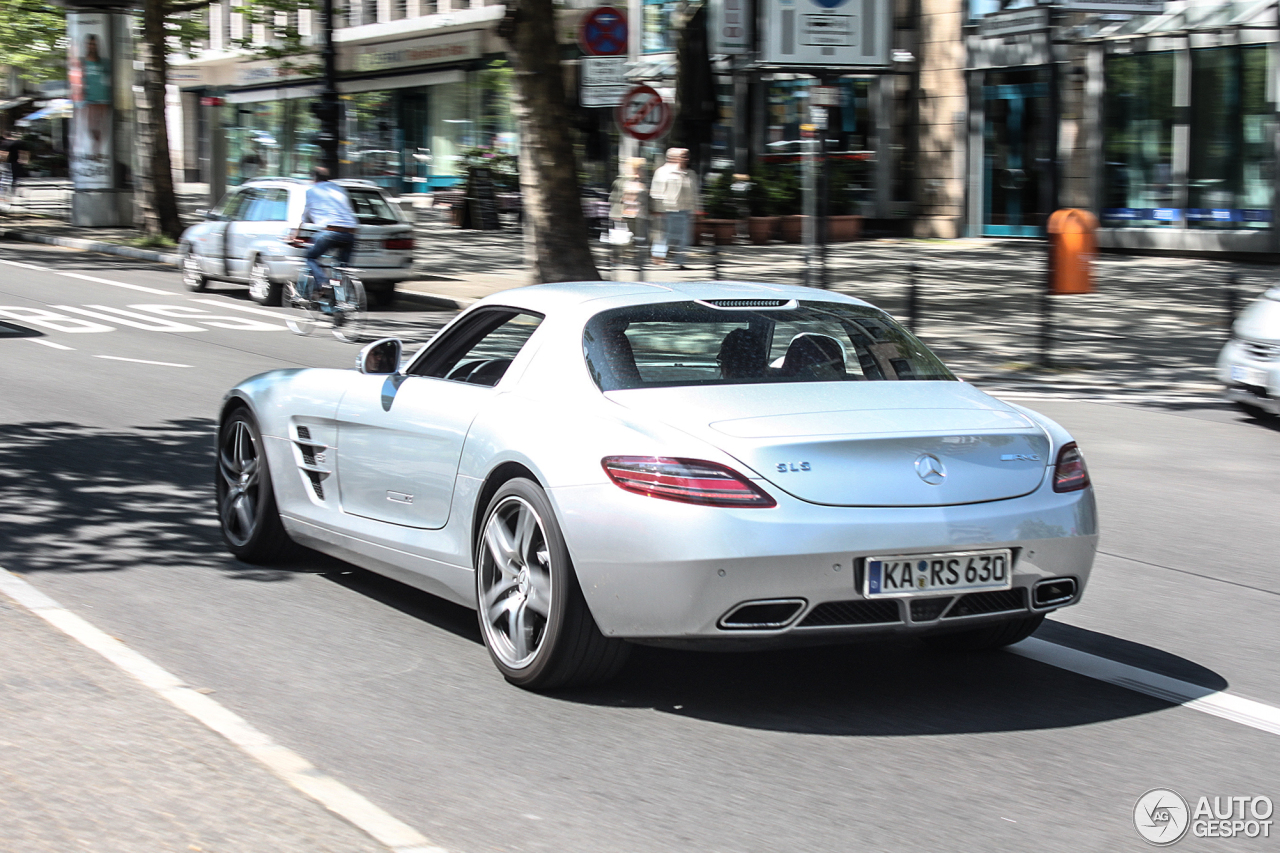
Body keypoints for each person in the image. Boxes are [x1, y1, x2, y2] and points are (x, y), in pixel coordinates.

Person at [292, 166, 358, 299]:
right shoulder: (339, 188)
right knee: (341, 268)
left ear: (314, 178)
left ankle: (323, 283)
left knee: (311, 257)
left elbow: (304, 217)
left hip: (330, 232)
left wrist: (295, 235)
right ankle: (340, 303)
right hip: (350, 233)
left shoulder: (312, 191)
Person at [649, 148, 698, 269]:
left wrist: (697, 209)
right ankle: (658, 258)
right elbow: (656, 192)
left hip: (685, 210)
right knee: (664, 236)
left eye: (687, 156)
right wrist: (658, 209)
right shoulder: (662, 172)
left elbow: (695, 193)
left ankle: (680, 262)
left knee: (684, 238)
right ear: (672, 157)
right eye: (682, 156)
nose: (686, 159)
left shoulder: (690, 173)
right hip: (668, 210)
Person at [607, 157, 649, 263]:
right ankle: (616, 257)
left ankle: (637, 261)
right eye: (640, 168)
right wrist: (616, 213)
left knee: (638, 239)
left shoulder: (643, 182)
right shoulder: (621, 182)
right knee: (621, 238)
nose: (643, 170)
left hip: (639, 215)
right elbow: (614, 198)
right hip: (624, 215)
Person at [0, 131, 31, 198]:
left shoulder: (4, 143)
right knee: (16, 178)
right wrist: (25, 161)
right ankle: (17, 192)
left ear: (4, 135)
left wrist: (2, 161)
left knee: (6, 178)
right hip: (17, 163)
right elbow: (24, 153)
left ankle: (6, 193)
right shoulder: (18, 142)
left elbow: (3, 154)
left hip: (7, 163)